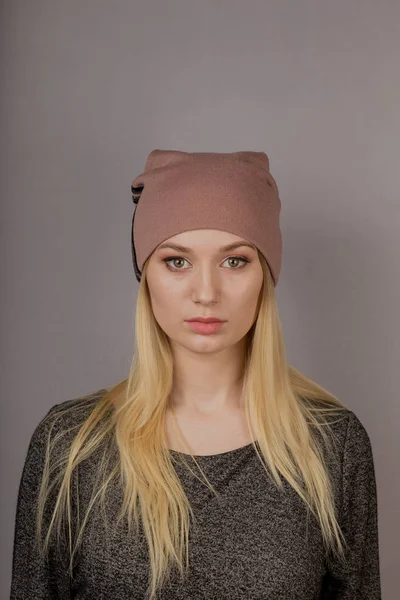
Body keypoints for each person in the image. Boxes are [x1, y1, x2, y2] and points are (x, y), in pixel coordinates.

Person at [10, 150, 381, 599]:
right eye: (177, 261)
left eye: (235, 261)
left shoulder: (332, 448)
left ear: (265, 274)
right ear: (146, 275)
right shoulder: (70, 446)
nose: (206, 292)